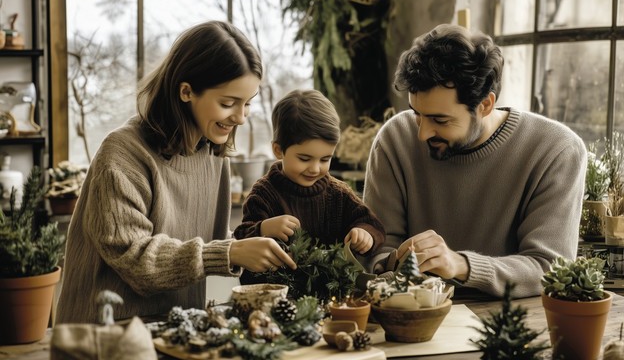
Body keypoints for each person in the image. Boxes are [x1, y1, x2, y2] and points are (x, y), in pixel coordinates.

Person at [57, 21, 296, 324]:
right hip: (105, 337)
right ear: (186, 91)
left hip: (177, 331)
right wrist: (230, 252)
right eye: (228, 103)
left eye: (247, 104)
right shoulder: (122, 154)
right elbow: (137, 260)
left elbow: (198, 240)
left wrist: (253, 236)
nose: (240, 117)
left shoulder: (213, 152)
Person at [363, 24, 587, 298]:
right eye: (416, 113)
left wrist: (461, 265)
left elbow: (549, 268)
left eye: (440, 119)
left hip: (511, 325)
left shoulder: (556, 150)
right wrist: (394, 260)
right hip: (413, 317)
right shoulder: (395, 139)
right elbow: (374, 255)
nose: (422, 133)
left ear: (485, 105)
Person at [234, 89, 385, 257]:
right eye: (304, 159)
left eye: (325, 159)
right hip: (278, 283)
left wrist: (364, 234)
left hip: (334, 281)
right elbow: (240, 241)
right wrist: (263, 229)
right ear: (278, 150)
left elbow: (372, 225)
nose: (315, 168)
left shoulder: (339, 194)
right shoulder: (263, 195)